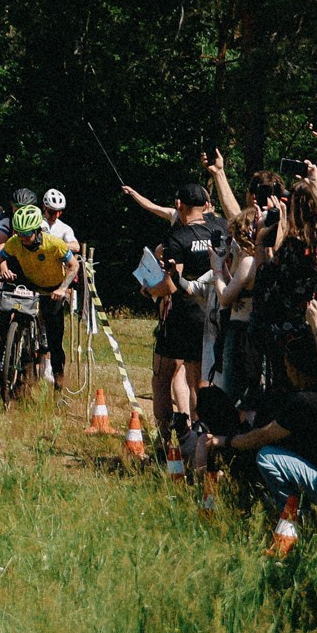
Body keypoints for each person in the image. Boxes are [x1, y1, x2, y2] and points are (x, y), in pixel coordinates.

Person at [125, 180, 226, 460]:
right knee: (199, 382)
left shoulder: (179, 237)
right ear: (205, 204)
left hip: (181, 314)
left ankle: (163, 442)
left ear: (179, 205)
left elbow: (170, 285)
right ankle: (199, 443)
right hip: (213, 312)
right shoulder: (222, 227)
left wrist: (148, 290)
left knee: (162, 377)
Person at [0, 201, 75, 389]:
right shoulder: (15, 242)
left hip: (53, 289)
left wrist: (63, 288)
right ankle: (17, 362)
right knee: (14, 316)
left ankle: (59, 383)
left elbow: (74, 266)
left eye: (26, 234)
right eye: (19, 233)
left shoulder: (54, 244)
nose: (22, 238)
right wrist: (3, 268)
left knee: (55, 342)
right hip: (30, 285)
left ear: (37, 231)